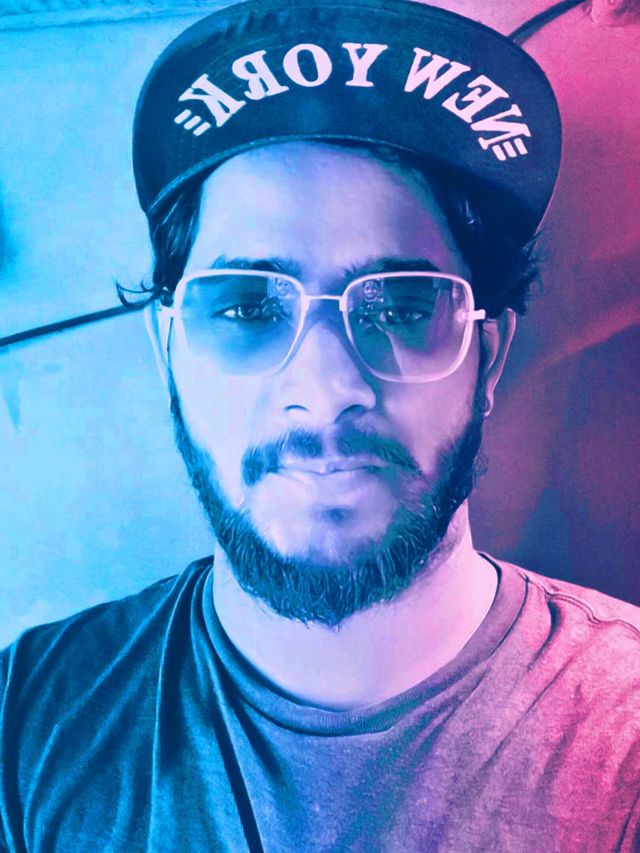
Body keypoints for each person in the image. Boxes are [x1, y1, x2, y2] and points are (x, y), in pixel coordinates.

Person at [1, 1, 639, 850]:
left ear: (487, 358)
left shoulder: (625, 733)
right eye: (247, 306)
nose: (328, 387)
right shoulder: (24, 724)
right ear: (167, 351)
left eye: (401, 305)